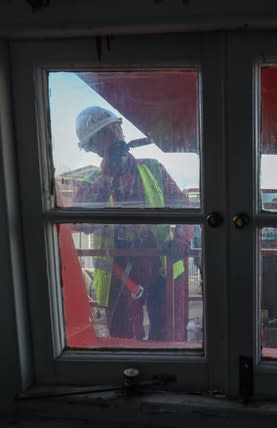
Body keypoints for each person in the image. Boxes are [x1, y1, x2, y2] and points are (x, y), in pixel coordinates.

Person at [72, 106, 192, 341]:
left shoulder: (153, 169)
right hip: (119, 270)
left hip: (162, 263)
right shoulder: (91, 182)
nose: (116, 135)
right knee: (126, 340)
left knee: (170, 336)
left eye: (116, 128)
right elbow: (79, 222)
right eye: (106, 133)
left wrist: (181, 238)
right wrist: (107, 177)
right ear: (93, 147)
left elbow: (184, 206)